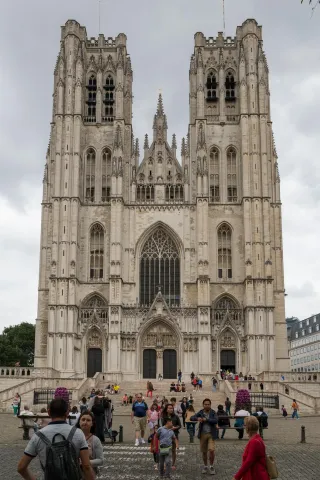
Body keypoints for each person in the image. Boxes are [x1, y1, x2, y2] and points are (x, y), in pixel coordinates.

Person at [17, 398, 94, 480]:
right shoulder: (78, 433)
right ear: (67, 413)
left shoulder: (38, 436)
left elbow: (21, 467)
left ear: (49, 412)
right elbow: (86, 466)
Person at [190, 398, 218, 475]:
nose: (207, 405)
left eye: (208, 404)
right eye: (205, 404)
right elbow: (191, 418)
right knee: (204, 451)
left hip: (211, 434)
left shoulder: (213, 412)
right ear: (203, 405)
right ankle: (205, 466)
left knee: (211, 450)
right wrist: (197, 418)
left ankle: (211, 466)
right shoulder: (201, 412)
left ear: (210, 405)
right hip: (202, 434)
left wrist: (207, 419)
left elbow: (215, 420)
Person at [78, 411, 104, 478]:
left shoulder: (95, 440)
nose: (85, 422)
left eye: (88, 420)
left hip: (89, 475)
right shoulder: (73, 438)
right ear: (79, 422)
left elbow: (100, 460)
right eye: (83, 420)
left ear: (92, 423)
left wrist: (86, 462)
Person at [161, 403, 181, 471]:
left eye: (172, 408)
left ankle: (173, 464)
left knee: (173, 450)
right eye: (169, 408)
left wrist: (175, 428)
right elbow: (162, 426)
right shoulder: (163, 417)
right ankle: (164, 465)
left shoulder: (176, 416)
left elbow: (179, 425)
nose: (171, 409)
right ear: (166, 409)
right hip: (166, 436)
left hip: (174, 435)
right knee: (165, 450)